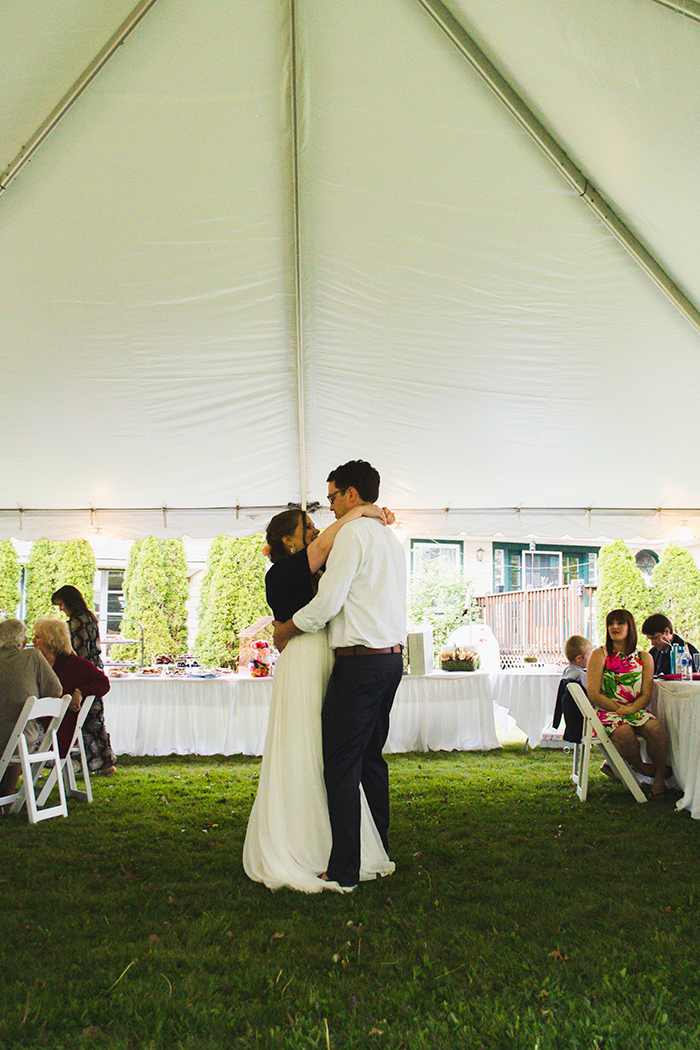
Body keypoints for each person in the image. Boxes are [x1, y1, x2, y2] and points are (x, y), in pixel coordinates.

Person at [243, 500, 396, 893]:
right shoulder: (281, 573)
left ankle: (337, 843)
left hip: (327, 656)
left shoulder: (314, 566)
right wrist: (359, 512)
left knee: (332, 749)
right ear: (289, 541)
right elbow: (324, 548)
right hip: (304, 660)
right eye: (307, 525)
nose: (315, 529)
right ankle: (302, 841)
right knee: (305, 745)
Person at [274, 460, 407, 891]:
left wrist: (290, 626)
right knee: (371, 757)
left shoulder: (352, 535)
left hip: (360, 662)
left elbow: (328, 602)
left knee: (341, 764)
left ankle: (345, 867)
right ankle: (377, 846)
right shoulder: (390, 538)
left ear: (351, 494)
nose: (329, 506)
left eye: (332, 496)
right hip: (390, 660)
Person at [586, 609, 670, 798]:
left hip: (635, 708)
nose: (614, 627)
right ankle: (641, 767)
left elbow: (646, 694)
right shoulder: (600, 655)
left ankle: (658, 780)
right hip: (606, 710)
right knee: (623, 732)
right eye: (611, 623)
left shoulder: (644, 658)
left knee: (656, 729)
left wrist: (631, 708)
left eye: (620, 623)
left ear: (629, 627)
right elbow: (593, 694)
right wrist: (618, 709)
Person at [32, 617, 114, 770]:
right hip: (38, 724)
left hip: (56, 731)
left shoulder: (75, 664)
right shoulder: (34, 662)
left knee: (13, 738)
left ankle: (11, 789)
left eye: (38, 636)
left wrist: (80, 691)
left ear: (51, 640)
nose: (33, 640)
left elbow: (103, 683)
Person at [0, 618, 62, 813]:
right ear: (24, 639)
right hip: (22, 738)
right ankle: (7, 798)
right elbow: (57, 691)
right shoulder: (33, 657)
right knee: (19, 736)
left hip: (5, 737)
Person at [553, 635, 593, 744]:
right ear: (579, 658)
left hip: (575, 722)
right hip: (586, 721)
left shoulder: (567, 673)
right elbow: (592, 693)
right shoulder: (580, 676)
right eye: (590, 655)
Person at [52, 585, 103, 669]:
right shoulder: (89, 616)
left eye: (61, 604)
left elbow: (80, 654)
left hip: (84, 670)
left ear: (70, 602)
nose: (61, 609)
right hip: (95, 667)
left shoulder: (78, 622)